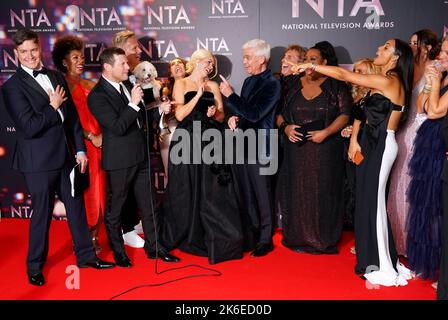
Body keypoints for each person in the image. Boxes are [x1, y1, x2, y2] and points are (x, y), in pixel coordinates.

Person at [291, 38, 414, 286]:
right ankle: (376, 259)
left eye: (386, 47)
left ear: (396, 57)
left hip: (381, 146)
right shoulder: (386, 80)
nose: (378, 48)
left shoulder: (390, 81)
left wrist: (310, 67)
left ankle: (380, 266)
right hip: (371, 145)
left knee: (374, 205)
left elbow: (342, 75)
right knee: (368, 203)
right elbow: (362, 112)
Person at [1, 29, 115, 286]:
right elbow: (29, 126)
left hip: (65, 157)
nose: (30, 56)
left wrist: (81, 150)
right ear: (16, 54)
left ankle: (86, 255)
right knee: (42, 213)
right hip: (37, 162)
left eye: (33, 50)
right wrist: (52, 107)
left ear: (39, 48)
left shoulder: (54, 76)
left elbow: (72, 118)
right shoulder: (12, 87)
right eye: (24, 52)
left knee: (76, 208)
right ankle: (34, 266)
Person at [87, 47, 180, 266]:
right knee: (116, 208)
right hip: (119, 161)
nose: (128, 67)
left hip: (141, 155)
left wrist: (159, 111)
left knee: (150, 205)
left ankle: (155, 247)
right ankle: (119, 252)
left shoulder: (129, 86)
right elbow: (117, 127)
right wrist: (133, 103)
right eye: (123, 64)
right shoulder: (97, 96)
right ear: (108, 67)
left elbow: (142, 116)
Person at [161, 49, 243, 264]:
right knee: (185, 187)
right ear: (196, 62)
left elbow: (221, 115)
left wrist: (213, 112)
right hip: (187, 138)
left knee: (211, 188)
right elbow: (178, 115)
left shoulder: (214, 85)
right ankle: (184, 231)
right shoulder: (182, 84)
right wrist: (197, 95)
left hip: (210, 139)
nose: (211, 67)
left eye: (213, 64)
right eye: (208, 62)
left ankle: (211, 231)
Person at [275, 41, 352, 254]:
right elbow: (279, 113)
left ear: (324, 63)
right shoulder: (291, 84)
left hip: (325, 149)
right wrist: (286, 127)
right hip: (295, 150)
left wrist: (326, 133)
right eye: (306, 59)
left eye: (313, 59)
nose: (309, 63)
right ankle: (296, 236)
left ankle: (322, 238)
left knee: (323, 191)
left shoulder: (336, 85)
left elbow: (345, 114)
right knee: (297, 191)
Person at [219, 39, 281, 257]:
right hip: (244, 144)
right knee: (246, 193)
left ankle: (266, 239)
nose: (243, 61)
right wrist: (234, 118)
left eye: (248, 57)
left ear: (261, 59)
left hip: (262, 145)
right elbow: (246, 113)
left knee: (263, 195)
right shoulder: (248, 81)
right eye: (244, 56)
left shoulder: (272, 84)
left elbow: (256, 113)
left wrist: (231, 96)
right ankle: (253, 235)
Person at [112, 30, 171, 248]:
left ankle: (137, 223)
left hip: (142, 138)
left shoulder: (139, 77)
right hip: (124, 143)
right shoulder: (117, 82)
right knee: (124, 188)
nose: (139, 51)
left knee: (142, 187)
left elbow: (143, 111)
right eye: (134, 47)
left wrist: (160, 110)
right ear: (121, 50)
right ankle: (126, 229)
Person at [387, 29, 439, 257]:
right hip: (402, 132)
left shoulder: (434, 69)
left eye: (416, 43)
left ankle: (416, 246)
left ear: (428, 47)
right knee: (398, 186)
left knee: (417, 189)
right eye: (409, 43)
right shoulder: (407, 69)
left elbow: (426, 107)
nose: (412, 47)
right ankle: (397, 242)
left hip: (423, 133)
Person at [52, 35, 104, 253]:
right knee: (80, 192)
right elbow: (67, 120)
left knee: (99, 192)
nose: (81, 61)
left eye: (81, 57)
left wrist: (100, 137)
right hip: (76, 147)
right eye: (75, 57)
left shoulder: (92, 84)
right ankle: (82, 237)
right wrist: (89, 137)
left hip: (98, 147)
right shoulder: (60, 87)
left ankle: (94, 235)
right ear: (65, 62)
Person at [410, 36, 448, 299]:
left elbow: (434, 110)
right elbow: (421, 106)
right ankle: (439, 271)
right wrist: (432, 82)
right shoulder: (443, 77)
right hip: (429, 147)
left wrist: (433, 82)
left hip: (439, 151)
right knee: (429, 210)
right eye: (442, 51)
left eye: (445, 52)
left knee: (439, 212)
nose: (440, 56)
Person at [341, 58, 380, 253]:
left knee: (364, 193)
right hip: (351, 150)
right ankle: (360, 236)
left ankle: (366, 240)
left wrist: (356, 131)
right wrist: (346, 130)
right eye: (355, 70)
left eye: (362, 71)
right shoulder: (352, 96)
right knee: (354, 191)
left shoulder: (374, 96)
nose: (356, 74)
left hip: (366, 149)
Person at [159, 57, 187, 177]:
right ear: (170, 72)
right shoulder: (164, 90)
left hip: (190, 130)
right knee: (170, 169)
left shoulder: (194, 85)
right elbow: (159, 113)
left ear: (186, 67)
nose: (177, 65)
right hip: (170, 130)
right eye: (173, 64)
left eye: (180, 62)